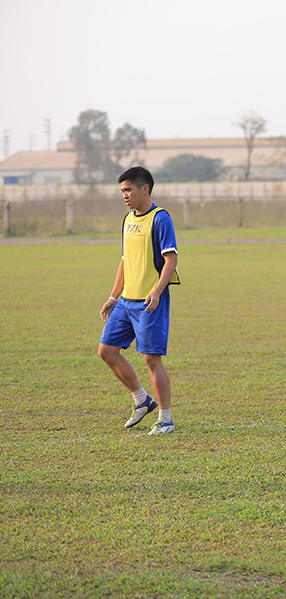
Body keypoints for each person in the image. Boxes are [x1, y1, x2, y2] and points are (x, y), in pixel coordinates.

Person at [98, 166, 180, 435]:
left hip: (148, 302)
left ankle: (166, 420)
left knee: (151, 360)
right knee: (107, 351)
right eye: (122, 190)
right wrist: (113, 296)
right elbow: (124, 261)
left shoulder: (160, 218)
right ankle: (141, 399)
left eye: (129, 189)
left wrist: (157, 290)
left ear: (145, 189)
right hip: (125, 302)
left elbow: (171, 259)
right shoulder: (127, 220)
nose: (125, 195)